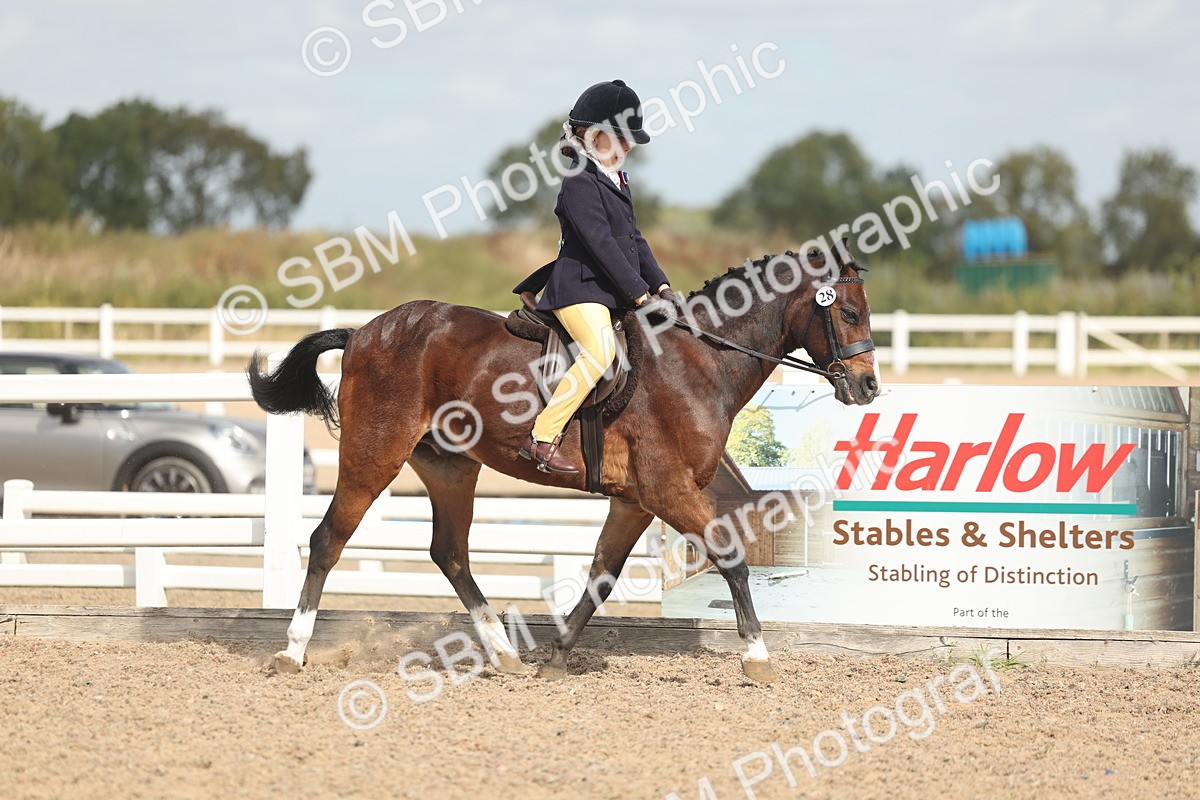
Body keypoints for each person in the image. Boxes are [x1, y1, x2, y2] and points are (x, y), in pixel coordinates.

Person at [513, 79, 677, 474]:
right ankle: (542, 437)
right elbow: (602, 244)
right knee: (600, 353)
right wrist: (639, 295)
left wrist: (662, 285)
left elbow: (633, 239)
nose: (629, 147)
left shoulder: (616, 179)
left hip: (611, 289)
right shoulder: (580, 183)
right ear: (595, 136)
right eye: (622, 139)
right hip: (579, 289)